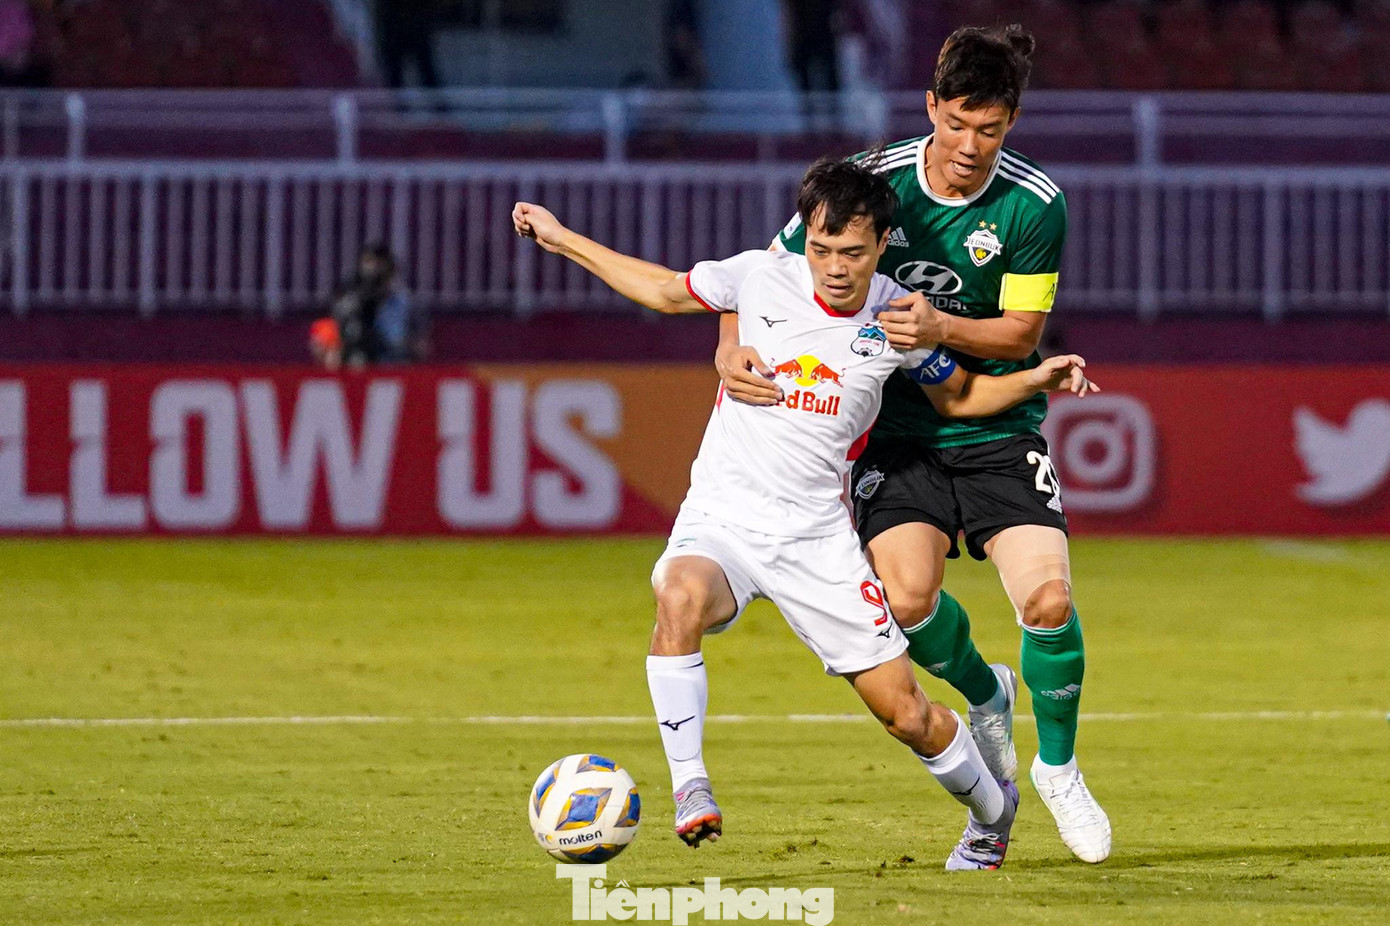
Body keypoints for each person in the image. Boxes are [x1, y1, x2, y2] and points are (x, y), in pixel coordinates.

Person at [512, 155, 1097, 870]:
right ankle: (691, 786)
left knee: (908, 717)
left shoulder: (898, 319)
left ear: (883, 245)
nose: (834, 267)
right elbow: (666, 291)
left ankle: (993, 810)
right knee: (677, 595)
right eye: (821, 248)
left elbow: (961, 399)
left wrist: (1035, 377)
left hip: (816, 540)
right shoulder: (761, 273)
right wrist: (563, 237)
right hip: (723, 515)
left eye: (852, 252)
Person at [715, 24, 1112, 863]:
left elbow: (1019, 336)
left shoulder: (1035, 204)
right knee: (903, 605)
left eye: (991, 130)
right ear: (931, 106)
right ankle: (984, 690)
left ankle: (1060, 769)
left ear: (1012, 125)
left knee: (1047, 602)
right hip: (895, 435)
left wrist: (939, 323)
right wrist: (727, 343)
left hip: (993, 421)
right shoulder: (873, 182)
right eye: (958, 123)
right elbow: (763, 272)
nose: (971, 147)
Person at [314, 244, 427, 369]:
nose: (373, 270)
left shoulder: (406, 304)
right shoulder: (347, 301)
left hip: (394, 369)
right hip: (358, 368)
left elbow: (421, 346)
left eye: (379, 264)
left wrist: (404, 346)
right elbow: (329, 338)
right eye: (369, 263)